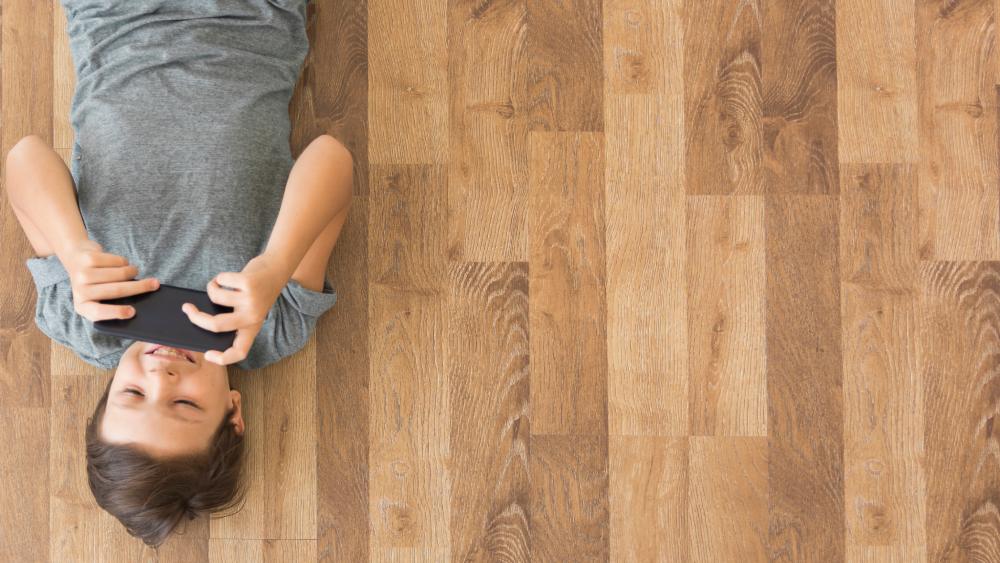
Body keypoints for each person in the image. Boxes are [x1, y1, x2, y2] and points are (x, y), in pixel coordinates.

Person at [3, 0, 353, 547]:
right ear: (233, 414)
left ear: (106, 396)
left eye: (133, 396)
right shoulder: (272, 330)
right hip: (253, 16)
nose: (160, 380)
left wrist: (73, 252)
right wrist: (274, 265)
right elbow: (332, 159)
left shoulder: (78, 319)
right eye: (184, 405)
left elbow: (24, 157)